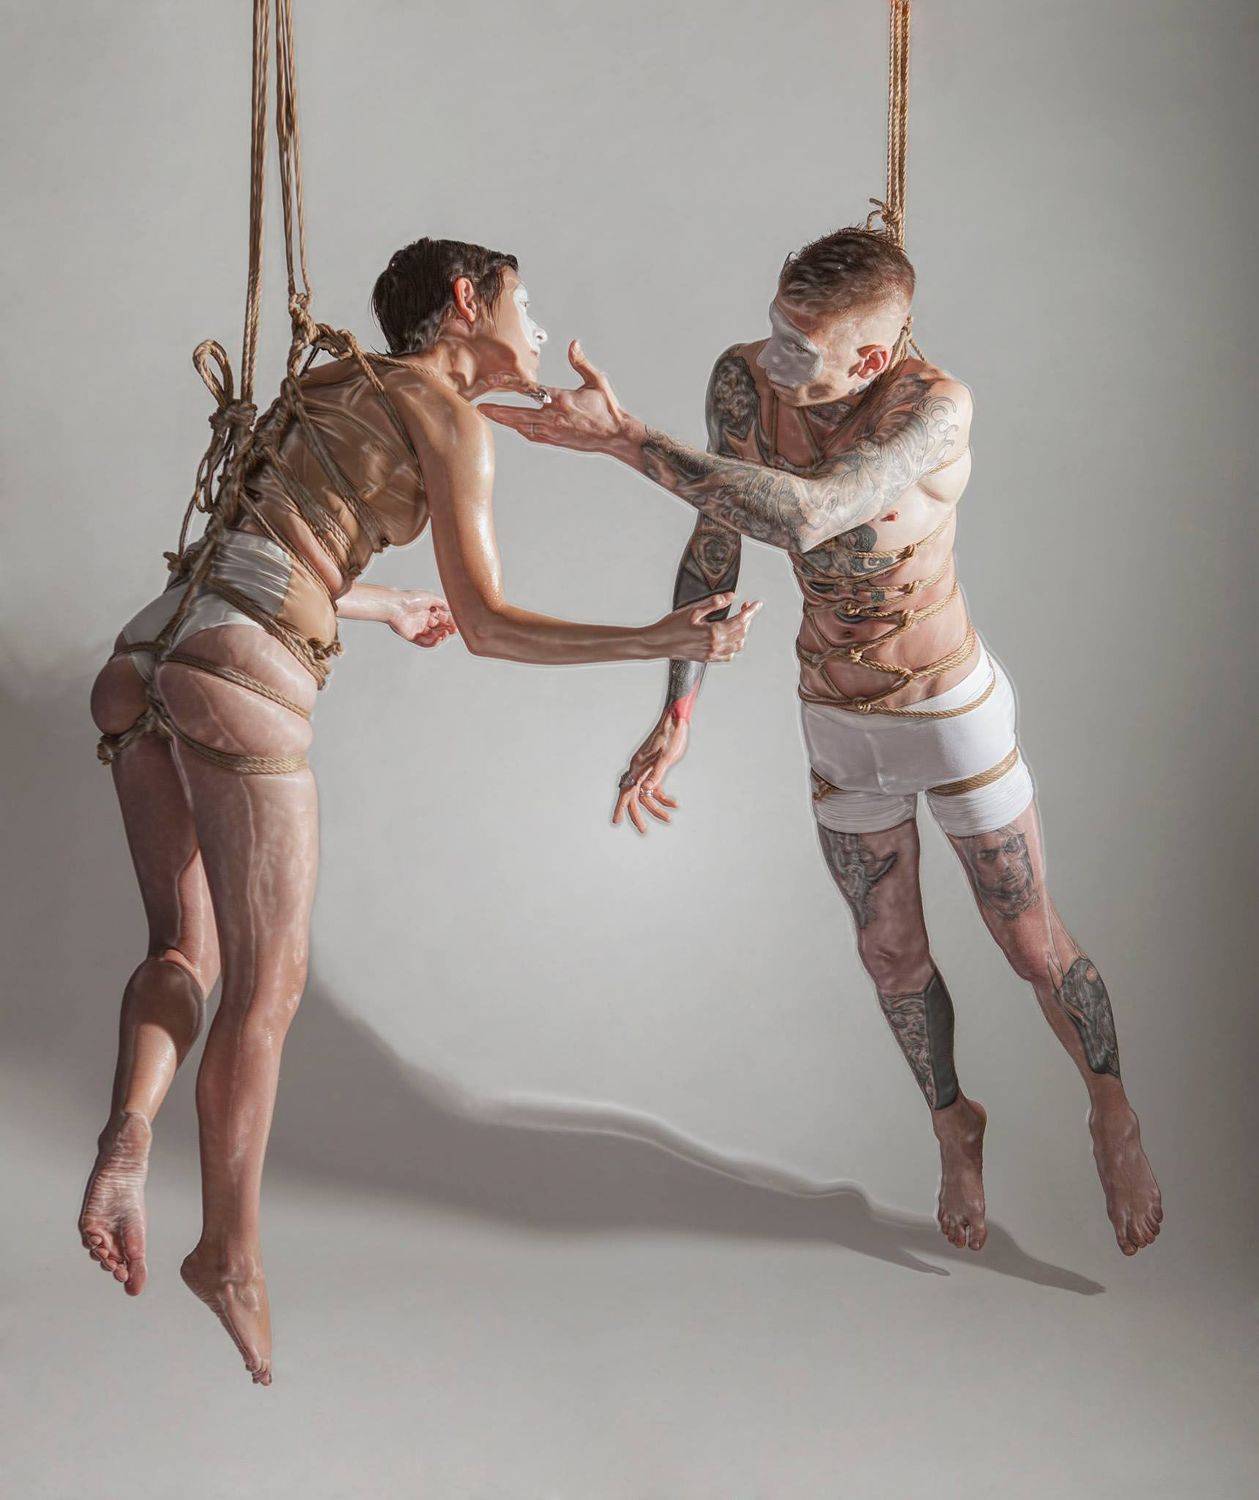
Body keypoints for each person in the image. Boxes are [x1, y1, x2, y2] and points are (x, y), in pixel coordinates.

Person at [79, 236, 762, 1385]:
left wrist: (384, 603)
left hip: (149, 651)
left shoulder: (332, 381)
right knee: (266, 991)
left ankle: (128, 1132)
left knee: (182, 950)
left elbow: (264, 542)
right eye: (522, 303)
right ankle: (227, 1255)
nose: (535, 327)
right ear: (464, 302)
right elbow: (489, 626)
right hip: (240, 674)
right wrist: (656, 636)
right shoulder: (448, 417)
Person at [482, 225, 1163, 1259]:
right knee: (886, 952)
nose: (773, 357)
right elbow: (716, 540)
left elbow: (809, 516)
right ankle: (952, 1123)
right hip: (837, 717)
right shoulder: (742, 384)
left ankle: (1110, 1109)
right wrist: (677, 714)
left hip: (944, 711)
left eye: (800, 348)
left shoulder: (933, 409)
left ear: (872, 356)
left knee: (1028, 941)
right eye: (774, 329)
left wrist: (624, 441)